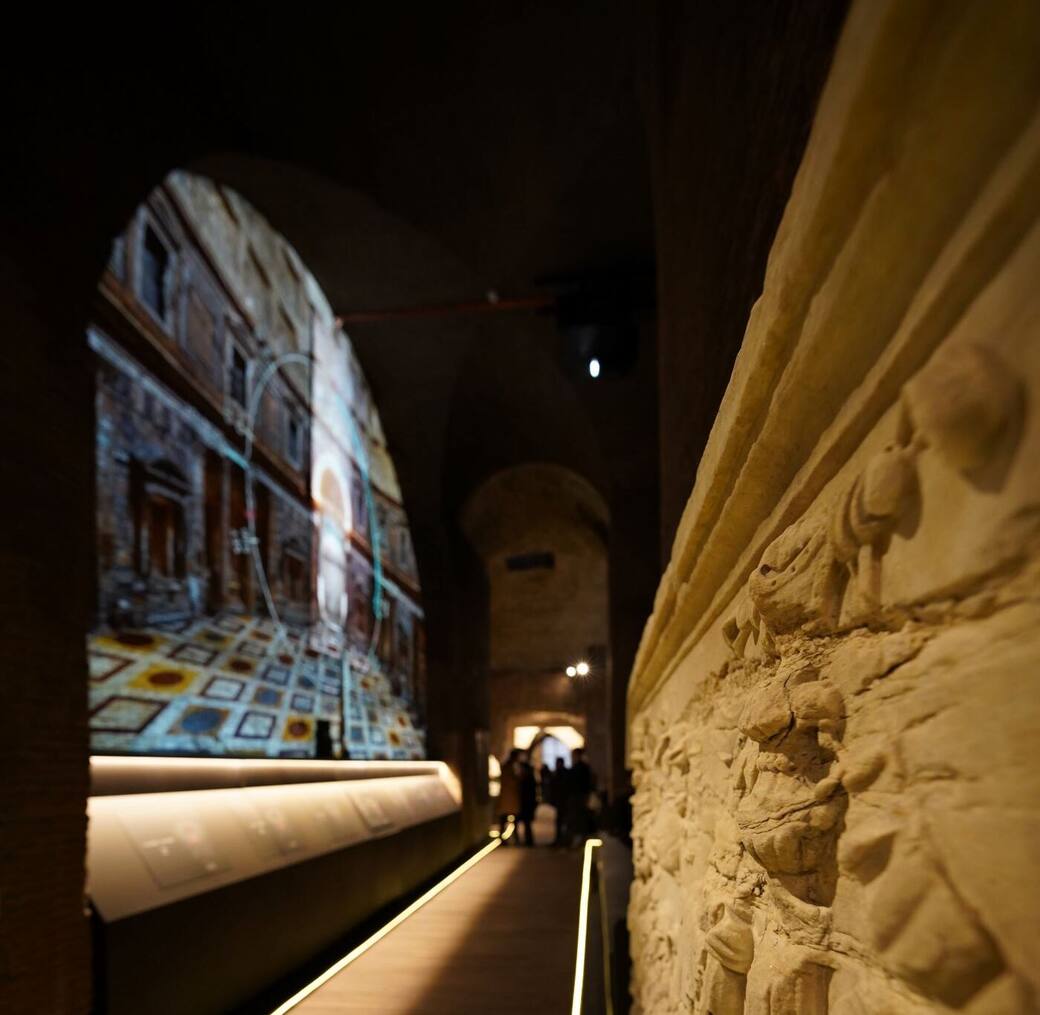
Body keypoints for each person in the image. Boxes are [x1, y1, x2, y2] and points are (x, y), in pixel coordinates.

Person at [566, 747, 595, 845]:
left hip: (579, 796)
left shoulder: (582, 767)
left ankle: (581, 838)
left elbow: (585, 782)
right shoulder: (579, 767)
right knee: (576, 818)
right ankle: (578, 838)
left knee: (580, 818)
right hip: (576, 795)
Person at [497, 749, 522, 842]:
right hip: (509, 797)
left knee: (508, 819)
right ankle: (506, 839)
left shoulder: (509, 767)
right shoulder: (508, 767)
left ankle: (510, 838)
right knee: (505, 819)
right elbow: (511, 781)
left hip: (509, 798)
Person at [518, 751, 538, 847]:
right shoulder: (529, 779)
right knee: (527, 823)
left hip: (527, 804)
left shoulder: (527, 780)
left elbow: (529, 793)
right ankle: (528, 840)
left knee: (527, 823)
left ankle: (528, 840)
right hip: (528, 804)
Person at [550, 756, 569, 846]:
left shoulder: (562, 773)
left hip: (563, 800)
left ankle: (562, 840)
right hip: (561, 800)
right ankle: (560, 839)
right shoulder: (560, 773)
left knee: (562, 821)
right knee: (560, 821)